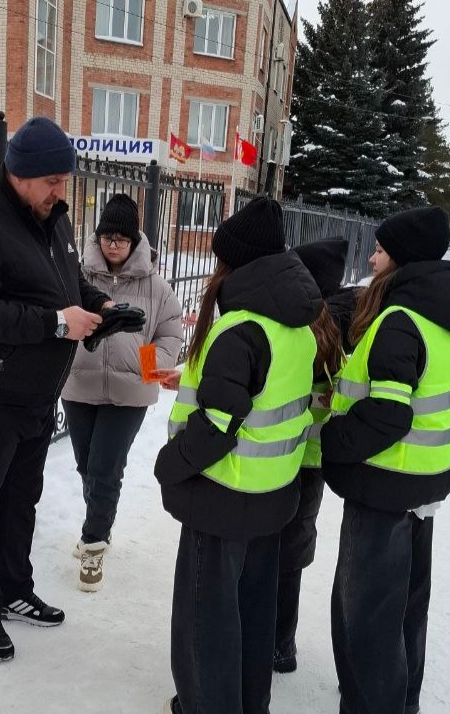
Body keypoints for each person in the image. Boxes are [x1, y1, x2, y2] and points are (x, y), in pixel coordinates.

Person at [0, 117, 114, 663]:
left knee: (20, 500)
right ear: (19, 173)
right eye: (53, 181)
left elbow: (66, 284)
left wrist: (100, 305)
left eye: (64, 180)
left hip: (33, 391)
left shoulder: (52, 217)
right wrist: (58, 324)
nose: (61, 191)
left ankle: (12, 587)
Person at [153, 196, 323, 714]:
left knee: (206, 621)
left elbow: (218, 426)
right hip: (272, 494)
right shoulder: (296, 327)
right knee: (252, 616)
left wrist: (170, 465)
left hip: (222, 496)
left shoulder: (240, 328)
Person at [320, 206, 450, 714]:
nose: (371, 258)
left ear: (401, 258)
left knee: (366, 616)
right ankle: (401, 702)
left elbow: (388, 415)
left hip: (385, 488)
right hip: (421, 484)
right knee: (406, 608)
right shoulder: (437, 315)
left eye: (381, 250)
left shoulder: (399, 321)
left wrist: (331, 438)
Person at [60, 193, 184, 592]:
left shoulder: (156, 286)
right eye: (107, 237)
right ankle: (100, 520)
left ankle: (94, 543)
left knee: (104, 468)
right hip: (80, 386)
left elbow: (171, 332)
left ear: (134, 241)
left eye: (121, 238)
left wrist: (145, 367)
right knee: (86, 465)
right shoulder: (78, 278)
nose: (113, 245)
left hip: (129, 394)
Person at [273, 238, 358, 674]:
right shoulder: (341, 326)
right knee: (293, 549)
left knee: (270, 547)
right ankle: (282, 644)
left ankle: (268, 638)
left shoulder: (305, 327)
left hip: (282, 455)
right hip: (314, 459)